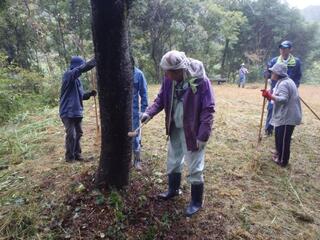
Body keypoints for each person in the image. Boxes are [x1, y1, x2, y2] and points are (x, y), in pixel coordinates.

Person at [140, 50, 215, 217]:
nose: (166, 75)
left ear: (180, 70)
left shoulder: (201, 82)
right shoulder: (169, 80)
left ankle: (196, 201)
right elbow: (161, 99)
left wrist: (203, 135)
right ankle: (173, 189)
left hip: (193, 130)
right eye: (165, 71)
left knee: (194, 163)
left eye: (169, 72)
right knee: (173, 159)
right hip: (175, 126)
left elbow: (208, 109)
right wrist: (149, 113)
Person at [261, 62, 302, 167]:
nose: (271, 74)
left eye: (273, 72)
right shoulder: (283, 81)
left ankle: (283, 161)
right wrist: (269, 94)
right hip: (284, 115)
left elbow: (283, 99)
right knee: (279, 136)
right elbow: (276, 93)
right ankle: (279, 155)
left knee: (284, 139)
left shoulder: (284, 83)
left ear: (278, 73)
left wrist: (270, 96)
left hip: (288, 116)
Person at [59, 56, 97, 162]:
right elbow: (81, 69)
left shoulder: (78, 81)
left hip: (77, 111)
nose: (81, 67)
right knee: (72, 135)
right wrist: (94, 61)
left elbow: (81, 96)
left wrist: (89, 94)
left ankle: (77, 154)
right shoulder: (68, 75)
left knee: (78, 134)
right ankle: (69, 157)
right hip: (67, 111)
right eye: (81, 65)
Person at [264, 40, 302, 135]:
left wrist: (295, 87)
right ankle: (269, 129)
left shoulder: (296, 62)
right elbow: (267, 73)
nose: (282, 50)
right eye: (281, 48)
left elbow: (298, 76)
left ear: (290, 49)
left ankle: (284, 131)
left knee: (287, 109)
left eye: (285, 48)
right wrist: (267, 73)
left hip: (289, 90)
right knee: (272, 107)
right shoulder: (274, 60)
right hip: (275, 88)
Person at [132, 63, 148, 170]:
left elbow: (144, 93)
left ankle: (137, 160)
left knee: (135, 136)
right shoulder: (119, 73)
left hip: (134, 112)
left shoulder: (138, 74)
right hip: (121, 111)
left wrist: (143, 110)